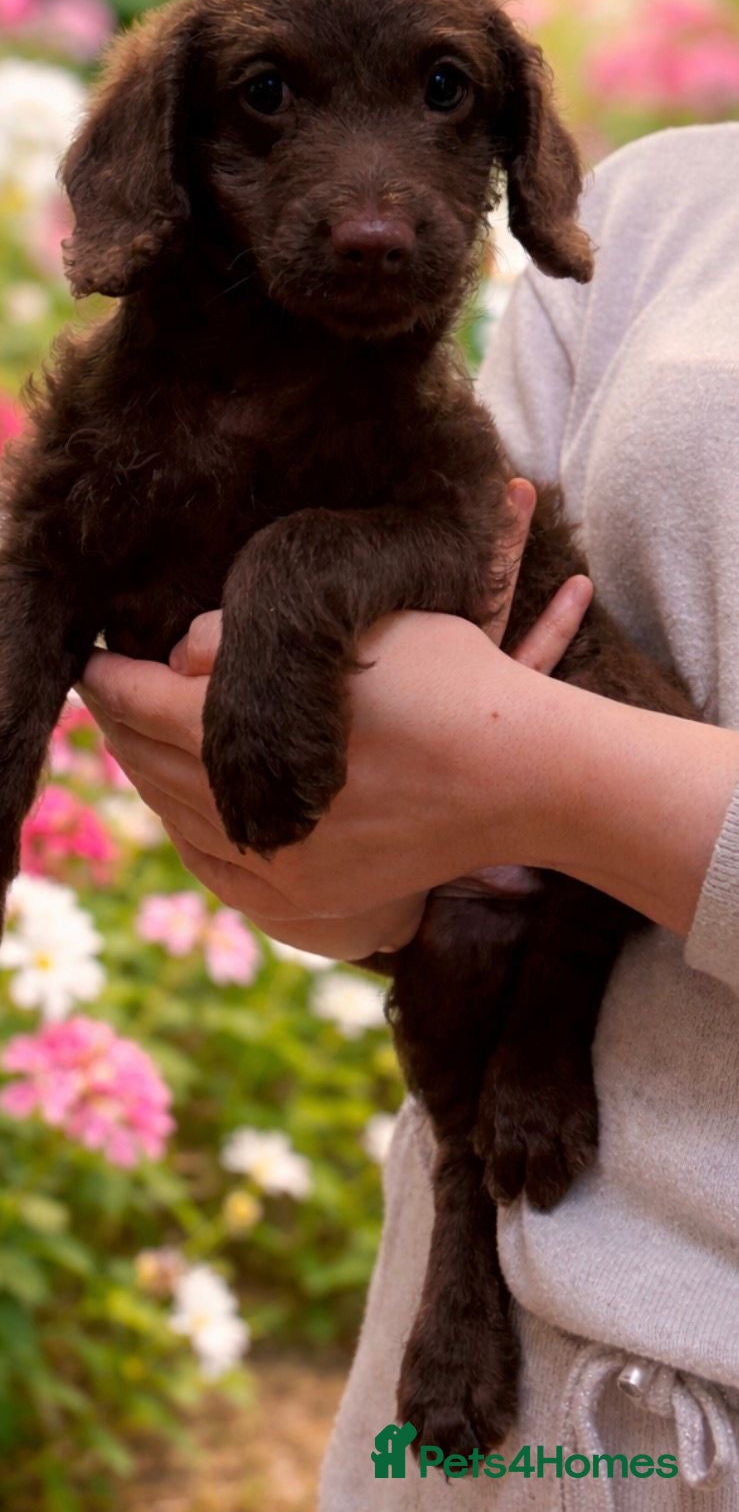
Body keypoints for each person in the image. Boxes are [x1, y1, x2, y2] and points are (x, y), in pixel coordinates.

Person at [79, 124, 739, 1506]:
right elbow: (449, 666)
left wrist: (546, 770)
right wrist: (319, 853)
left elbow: (497, 738)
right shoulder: (649, 208)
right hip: (489, 1392)